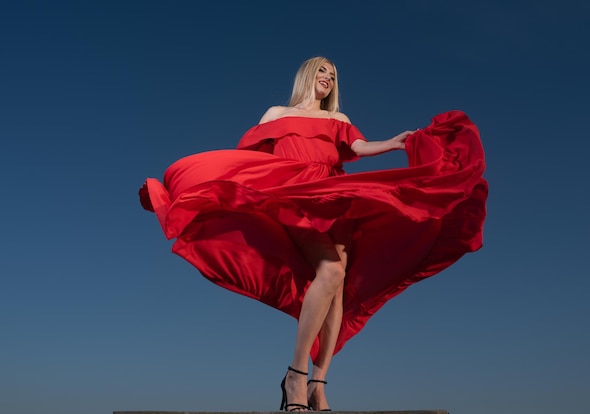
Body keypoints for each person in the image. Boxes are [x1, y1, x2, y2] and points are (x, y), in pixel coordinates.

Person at [139, 56, 488, 411]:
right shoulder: (276, 114)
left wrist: (395, 143)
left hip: (334, 196)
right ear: (308, 74)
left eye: (334, 75)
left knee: (338, 291)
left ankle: (318, 384)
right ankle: (296, 374)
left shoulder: (339, 119)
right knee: (331, 270)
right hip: (295, 193)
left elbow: (358, 148)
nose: (328, 78)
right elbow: (248, 158)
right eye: (323, 71)